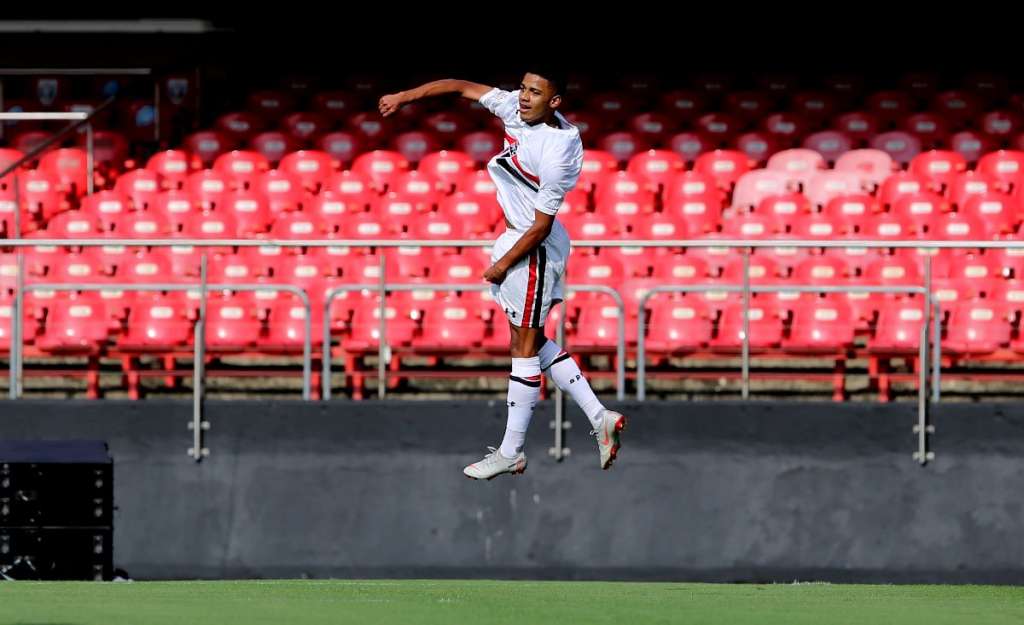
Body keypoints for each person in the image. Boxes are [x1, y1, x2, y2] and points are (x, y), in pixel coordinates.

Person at [379, 69, 626, 480]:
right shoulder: (514, 106)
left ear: (556, 101)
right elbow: (459, 86)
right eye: (524, 88)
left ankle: (512, 450)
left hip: (534, 248)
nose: (524, 97)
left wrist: (502, 263)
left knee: (524, 350)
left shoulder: (559, 149)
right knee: (530, 339)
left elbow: (541, 226)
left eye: (535, 92)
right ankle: (599, 415)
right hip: (518, 238)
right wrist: (405, 95)